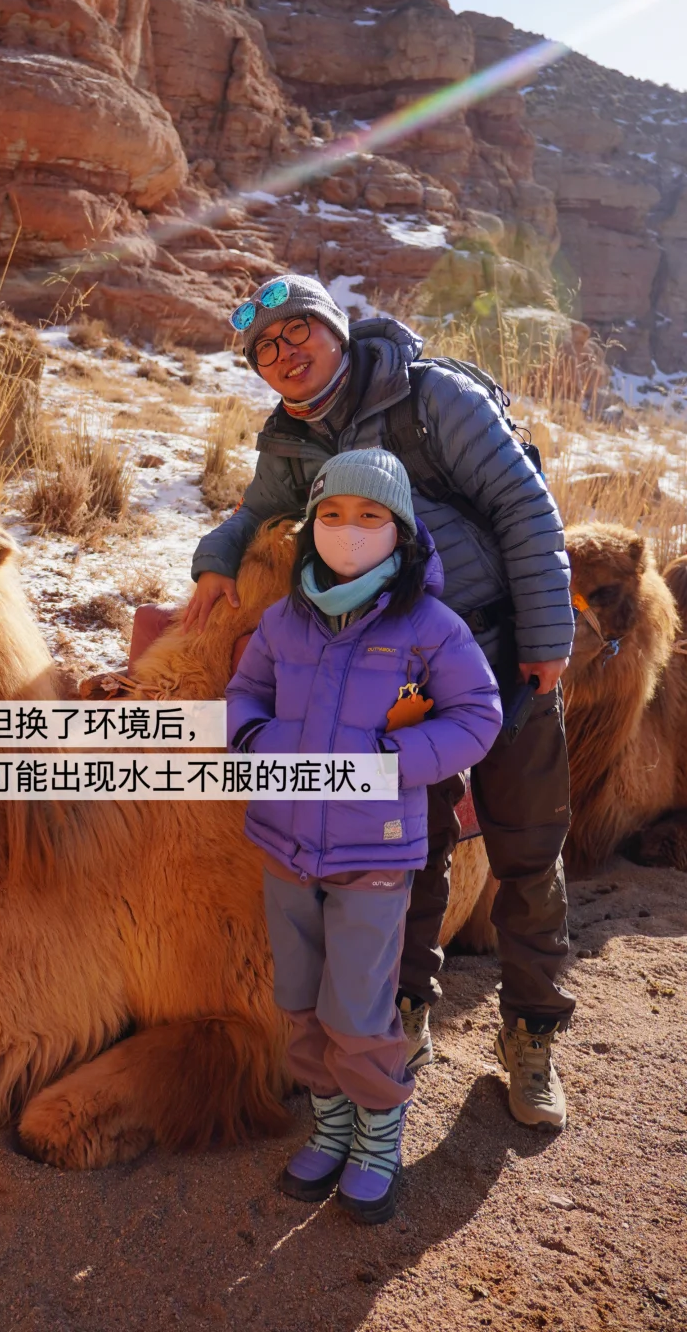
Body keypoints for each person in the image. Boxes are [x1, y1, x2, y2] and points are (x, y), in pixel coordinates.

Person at [190, 274, 576, 1131]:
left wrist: (547, 633)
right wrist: (214, 561)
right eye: (265, 350)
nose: (284, 355)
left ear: (336, 331)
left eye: (297, 333)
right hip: (397, 673)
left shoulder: (429, 397)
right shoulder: (291, 440)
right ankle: (404, 1007)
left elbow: (523, 505)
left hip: (503, 645)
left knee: (525, 845)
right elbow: (254, 514)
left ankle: (532, 1032)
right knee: (409, 842)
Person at [227, 449, 502, 1220]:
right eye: (333, 514)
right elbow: (246, 693)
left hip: (374, 851)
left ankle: (378, 1135)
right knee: (299, 999)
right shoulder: (284, 621)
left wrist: (392, 762)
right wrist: (255, 741)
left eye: (370, 515)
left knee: (357, 1007)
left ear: (400, 530)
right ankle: (331, 1126)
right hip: (285, 842)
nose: (349, 530)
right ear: (313, 525)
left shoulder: (430, 628)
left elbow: (478, 716)